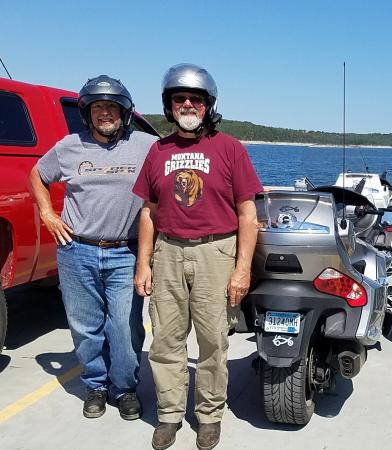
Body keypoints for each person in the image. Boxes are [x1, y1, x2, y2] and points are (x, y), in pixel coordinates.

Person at [132, 63, 262, 450]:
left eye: (195, 99)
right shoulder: (158, 151)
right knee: (165, 341)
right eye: (179, 99)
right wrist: (143, 263)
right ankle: (169, 415)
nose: (187, 104)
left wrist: (241, 269)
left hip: (215, 252)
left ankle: (209, 415)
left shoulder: (230, 149)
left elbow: (248, 215)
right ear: (169, 106)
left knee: (212, 342)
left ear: (208, 105)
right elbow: (148, 212)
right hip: (168, 252)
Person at [28, 75, 156, 420]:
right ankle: (96, 385)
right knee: (85, 325)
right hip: (76, 250)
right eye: (98, 107)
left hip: (126, 252)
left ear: (125, 112)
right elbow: (37, 175)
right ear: (87, 113)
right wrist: (47, 213)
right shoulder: (69, 146)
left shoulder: (145, 144)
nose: (104, 113)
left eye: (111, 107)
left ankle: (124, 387)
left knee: (124, 327)